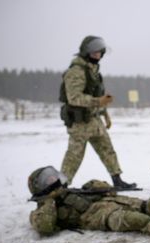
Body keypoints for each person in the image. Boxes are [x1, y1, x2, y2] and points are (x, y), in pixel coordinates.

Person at [28, 166, 150, 239]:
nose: (53, 180)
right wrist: (49, 201)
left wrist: (95, 185)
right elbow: (44, 226)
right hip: (100, 217)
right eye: (48, 180)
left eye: (52, 176)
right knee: (138, 220)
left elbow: (109, 190)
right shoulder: (42, 209)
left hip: (112, 201)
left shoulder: (71, 191)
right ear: (40, 187)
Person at [59, 35, 136, 189]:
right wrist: (98, 102)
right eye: (94, 52)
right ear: (86, 52)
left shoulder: (93, 71)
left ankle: (117, 180)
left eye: (100, 52)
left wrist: (105, 114)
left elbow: (98, 96)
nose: (98, 55)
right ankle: (62, 186)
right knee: (74, 156)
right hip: (80, 122)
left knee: (107, 150)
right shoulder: (76, 71)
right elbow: (73, 97)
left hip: (95, 120)